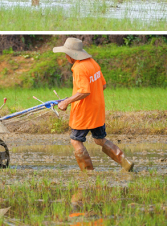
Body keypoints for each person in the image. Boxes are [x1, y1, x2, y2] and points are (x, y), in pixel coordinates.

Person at [53, 38, 134, 172]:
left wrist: (66, 102)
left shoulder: (79, 68)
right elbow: (103, 85)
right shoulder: (92, 63)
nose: (65, 56)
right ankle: (126, 163)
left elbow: (84, 91)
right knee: (100, 139)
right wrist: (73, 97)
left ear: (71, 54)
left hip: (84, 112)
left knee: (76, 141)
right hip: (97, 109)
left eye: (66, 53)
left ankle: (88, 172)